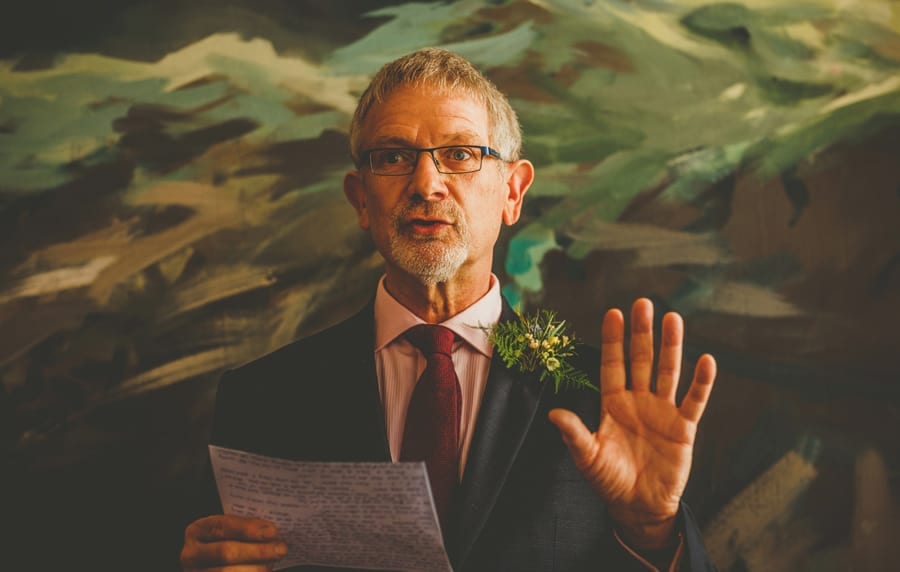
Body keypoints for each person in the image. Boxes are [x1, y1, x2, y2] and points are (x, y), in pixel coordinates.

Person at [180, 48, 718, 572]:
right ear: (360, 199)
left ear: (512, 190)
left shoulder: (601, 402)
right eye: (393, 157)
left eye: (460, 154)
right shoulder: (262, 399)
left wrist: (652, 535)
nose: (426, 183)